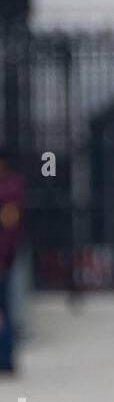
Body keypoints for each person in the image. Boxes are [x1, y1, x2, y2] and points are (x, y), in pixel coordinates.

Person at [0, 147, 24, 374]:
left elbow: (9, 229)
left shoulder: (9, 190)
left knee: (4, 311)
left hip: (2, 261)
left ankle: (5, 358)